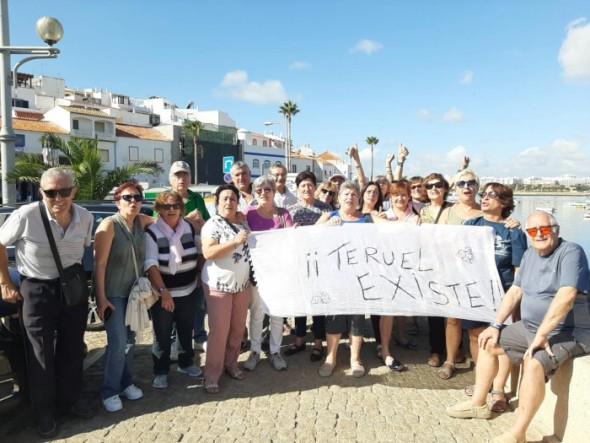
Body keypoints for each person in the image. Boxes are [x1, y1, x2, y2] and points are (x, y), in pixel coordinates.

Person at [447, 211, 590, 443]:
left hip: (569, 331)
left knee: (533, 362)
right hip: (530, 326)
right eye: (533, 231)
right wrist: (495, 324)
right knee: (488, 341)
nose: (539, 234)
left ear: (556, 230)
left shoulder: (571, 252)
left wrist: (542, 334)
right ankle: (478, 403)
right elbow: (515, 291)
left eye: (544, 229)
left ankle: (518, 433)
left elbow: (567, 294)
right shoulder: (529, 254)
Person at [0, 168, 94, 437]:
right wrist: (5, 282)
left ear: (73, 191)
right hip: (37, 289)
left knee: (72, 349)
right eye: (51, 192)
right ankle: (44, 413)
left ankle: (70, 403)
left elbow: (81, 252)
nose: (58, 198)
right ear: (41, 192)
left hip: (72, 289)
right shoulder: (26, 216)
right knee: (40, 354)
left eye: (64, 191)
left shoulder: (85, 217)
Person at [461, 183, 527, 411]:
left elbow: (518, 271)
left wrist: (515, 301)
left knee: (502, 341)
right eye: (483, 194)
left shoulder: (514, 231)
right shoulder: (471, 225)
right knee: (475, 338)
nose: (485, 198)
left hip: (503, 293)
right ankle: (483, 382)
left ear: (504, 202)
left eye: (492, 194)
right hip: (475, 292)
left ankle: (498, 388)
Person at [315, 181, 387, 378]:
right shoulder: (328, 216)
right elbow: (309, 238)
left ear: (359, 199)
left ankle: (355, 358)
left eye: (354, 194)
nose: (350, 197)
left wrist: (413, 223)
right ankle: (331, 357)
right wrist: (325, 228)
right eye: (346, 194)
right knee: (334, 318)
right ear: (338, 198)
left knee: (357, 319)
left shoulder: (367, 219)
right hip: (334, 278)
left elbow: (389, 231)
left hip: (360, 279)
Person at [94, 180, 153, 413]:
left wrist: (189, 219)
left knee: (130, 342)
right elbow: (99, 265)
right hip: (114, 295)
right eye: (127, 198)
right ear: (117, 201)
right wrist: (101, 299)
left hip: (134, 296)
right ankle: (109, 390)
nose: (133, 202)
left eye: (137, 198)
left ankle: (126, 382)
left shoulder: (140, 222)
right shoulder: (109, 225)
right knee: (117, 343)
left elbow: (166, 221)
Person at [145, 191, 204, 389]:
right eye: (166, 206)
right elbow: (151, 265)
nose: (171, 210)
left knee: (186, 329)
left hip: (188, 289)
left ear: (180, 208)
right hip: (163, 293)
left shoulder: (188, 227)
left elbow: (200, 251)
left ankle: (185, 363)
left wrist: (197, 273)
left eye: (175, 206)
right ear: (159, 209)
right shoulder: (152, 232)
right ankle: (161, 371)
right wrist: (163, 291)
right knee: (162, 333)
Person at [201, 184, 251, 394]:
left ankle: (231, 364)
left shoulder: (242, 221)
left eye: (232, 199)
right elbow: (208, 252)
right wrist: (234, 242)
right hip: (218, 286)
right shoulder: (211, 225)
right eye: (225, 199)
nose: (229, 202)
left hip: (242, 285)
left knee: (237, 329)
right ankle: (212, 374)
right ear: (217, 201)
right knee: (219, 331)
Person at [244, 176, 293, 372]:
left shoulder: (283, 214)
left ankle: (275, 352)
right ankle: (254, 351)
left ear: (274, 192)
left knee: (277, 314)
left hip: (278, 272)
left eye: (267, 189)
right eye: (259, 190)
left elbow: (291, 237)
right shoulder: (247, 213)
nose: (263, 193)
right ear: (254, 193)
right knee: (256, 314)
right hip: (257, 272)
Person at [286, 171, 331, 361]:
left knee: (318, 303)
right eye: (303, 185)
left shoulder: (326, 209)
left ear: (315, 187)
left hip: (321, 264)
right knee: (300, 303)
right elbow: (287, 237)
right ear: (297, 189)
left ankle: (319, 343)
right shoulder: (292, 210)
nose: (307, 188)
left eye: (310, 185)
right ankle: (299, 340)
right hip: (299, 263)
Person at [166, 161, 210, 354]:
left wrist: (202, 222)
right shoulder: (165, 198)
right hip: (173, 260)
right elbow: (157, 225)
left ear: (190, 178)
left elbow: (208, 223)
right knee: (175, 303)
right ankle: (175, 342)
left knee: (199, 300)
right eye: (177, 175)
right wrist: (186, 221)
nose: (181, 179)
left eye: (185, 175)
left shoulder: (197, 198)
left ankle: (199, 336)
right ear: (171, 179)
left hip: (196, 258)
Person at [419, 173, 452, 368]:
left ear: (445, 187)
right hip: (431, 265)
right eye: (429, 186)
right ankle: (436, 349)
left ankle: (455, 348)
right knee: (435, 311)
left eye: (438, 185)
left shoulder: (454, 209)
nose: (433, 188)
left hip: (451, 264)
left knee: (454, 310)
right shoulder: (422, 212)